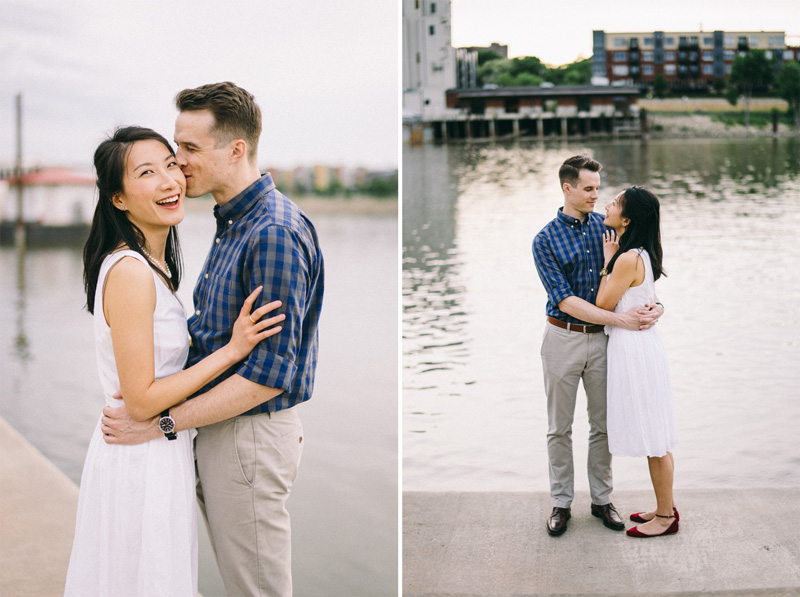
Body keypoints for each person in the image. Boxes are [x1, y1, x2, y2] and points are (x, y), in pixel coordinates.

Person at [101, 82, 325, 596]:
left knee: (257, 589)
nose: (179, 163)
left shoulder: (270, 232)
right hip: (224, 432)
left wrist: (160, 423)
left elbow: (268, 378)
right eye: (176, 148)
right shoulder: (234, 224)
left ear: (236, 150)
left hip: (248, 436)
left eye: (189, 149)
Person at [65, 126, 284, 595]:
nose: (170, 180)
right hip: (138, 457)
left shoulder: (152, 267)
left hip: (156, 452)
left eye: (170, 164)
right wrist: (232, 350)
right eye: (147, 173)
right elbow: (141, 401)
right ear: (119, 200)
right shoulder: (129, 272)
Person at [532, 155, 663, 537]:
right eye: (588, 189)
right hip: (562, 338)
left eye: (597, 189)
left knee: (603, 426)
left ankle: (602, 500)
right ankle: (560, 503)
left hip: (604, 343)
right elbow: (565, 300)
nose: (595, 196)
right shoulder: (544, 240)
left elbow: (641, 277)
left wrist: (657, 308)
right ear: (567, 188)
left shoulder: (608, 229)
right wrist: (622, 320)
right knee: (559, 427)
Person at [596, 186, 679, 538]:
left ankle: (666, 517)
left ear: (626, 219)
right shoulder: (640, 254)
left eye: (614, 203)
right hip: (643, 346)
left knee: (654, 438)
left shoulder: (627, 259)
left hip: (634, 348)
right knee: (655, 434)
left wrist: (606, 261)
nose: (607, 205)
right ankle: (664, 507)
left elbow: (601, 304)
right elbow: (647, 298)